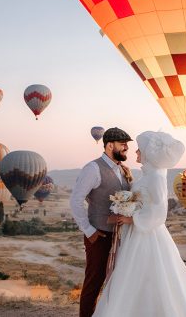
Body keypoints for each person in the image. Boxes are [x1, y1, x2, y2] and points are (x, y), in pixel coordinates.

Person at [93, 131, 186, 317]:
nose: (136, 153)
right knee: (134, 276)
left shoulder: (155, 178)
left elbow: (159, 213)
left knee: (145, 274)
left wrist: (131, 218)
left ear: (149, 154)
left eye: (140, 150)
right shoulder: (148, 176)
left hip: (147, 235)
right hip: (138, 233)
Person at [70, 127, 133, 317]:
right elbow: (75, 200)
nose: (126, 148)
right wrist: (89, 231)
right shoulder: (93, 168)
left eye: (127, 145)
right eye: (123, 144)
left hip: (120, 236)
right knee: (94, 282)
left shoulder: (123, 170)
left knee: (117, 282)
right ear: (109, 145)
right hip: (99, 235)